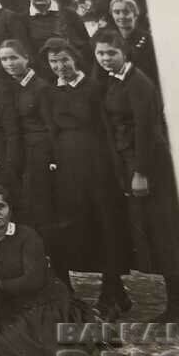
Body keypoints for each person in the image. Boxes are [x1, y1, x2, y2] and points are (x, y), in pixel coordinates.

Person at [94, 30, 179, 322]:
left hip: (149, 165)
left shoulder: (140, 84)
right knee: (144, 231)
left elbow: (148, 131)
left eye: (111, 53)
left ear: (124, 52)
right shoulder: (111, 80)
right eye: (100, 54)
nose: (105, 58)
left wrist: (141, 172)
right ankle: (120, 296)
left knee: (165, 232)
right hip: (126, 161)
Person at [42, 37, 131, 304]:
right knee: (73, 224)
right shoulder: (48, 92)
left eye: (64, 60)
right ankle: (67, 294)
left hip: (97, 163)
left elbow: (106, 128)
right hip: (68, 168)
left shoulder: (94, 88)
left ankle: (113, 289)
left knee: (106, 223)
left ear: (75, 59)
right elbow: (51, 131)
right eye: (53, 61)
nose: (60, 66)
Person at [0, 184, 87, 356]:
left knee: (31, 345)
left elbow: (34, 280)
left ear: (10, 209)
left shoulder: (27, 236)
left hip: (42, 300)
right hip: (9, 304)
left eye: (1, 206)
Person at [0, 38, 57, 246]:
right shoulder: (12, 86)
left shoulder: (41, 88)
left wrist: (49, 158)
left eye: (14, 58)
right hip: (22, 153)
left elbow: (51, 128)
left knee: (41, 210)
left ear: (26, 58)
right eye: (4, 59)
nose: (9, 63)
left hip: (39, 154)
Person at [16, 0, 81, 73]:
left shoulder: (69, 15)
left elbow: (83, 46)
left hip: (72, 71)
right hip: (41, 75)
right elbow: (27, 53)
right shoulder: (22, 20)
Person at [108, 0, 159, 85]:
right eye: (117, 12)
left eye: (126, 12)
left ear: (135, 14)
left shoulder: (148, 41)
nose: (121, 16)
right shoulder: (109, 41)